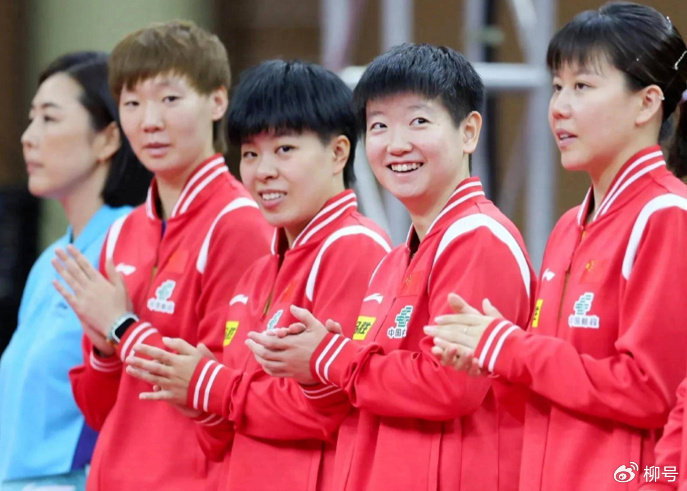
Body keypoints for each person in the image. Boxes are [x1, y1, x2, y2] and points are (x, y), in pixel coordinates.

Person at [246, 43, 535, 490]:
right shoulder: (395, 261)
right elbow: (367, 393)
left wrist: (330, 356)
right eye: (379, 125)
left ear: (469, 132)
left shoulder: (478, 237)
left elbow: (451, 387)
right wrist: (316, 367)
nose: (396, 144)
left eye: (418, 121)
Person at [424, 3, 687, 490]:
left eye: (582, 86)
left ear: (647, 103)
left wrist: (511, 347)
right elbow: (557, 386)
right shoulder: (569, 226)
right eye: (557, 87)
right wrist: (493, 361)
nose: (559, 107)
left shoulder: (667, 215)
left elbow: (654, 391)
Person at [124, 59, 392, 490]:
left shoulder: (355, 247)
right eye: (250, 153)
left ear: (338, 153)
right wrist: (199, 399)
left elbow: (330, 409)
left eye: (284, 149)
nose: (263, 171)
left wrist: (213, 386)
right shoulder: (258, 272)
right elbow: (223, 439)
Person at [52, 21, 272, 490]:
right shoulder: (122, 233)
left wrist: (120, 327)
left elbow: (224, 394)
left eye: (169, 99)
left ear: (217, 101)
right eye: (132, 103)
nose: (149, 121)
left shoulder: (239, 223)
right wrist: (105, 350)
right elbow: (98, 410)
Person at [0, 51, 150, 489]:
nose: (29, 137)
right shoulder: (48, 262)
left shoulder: (131, 247)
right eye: (31, 118)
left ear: (107, 139)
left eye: (50, 118)